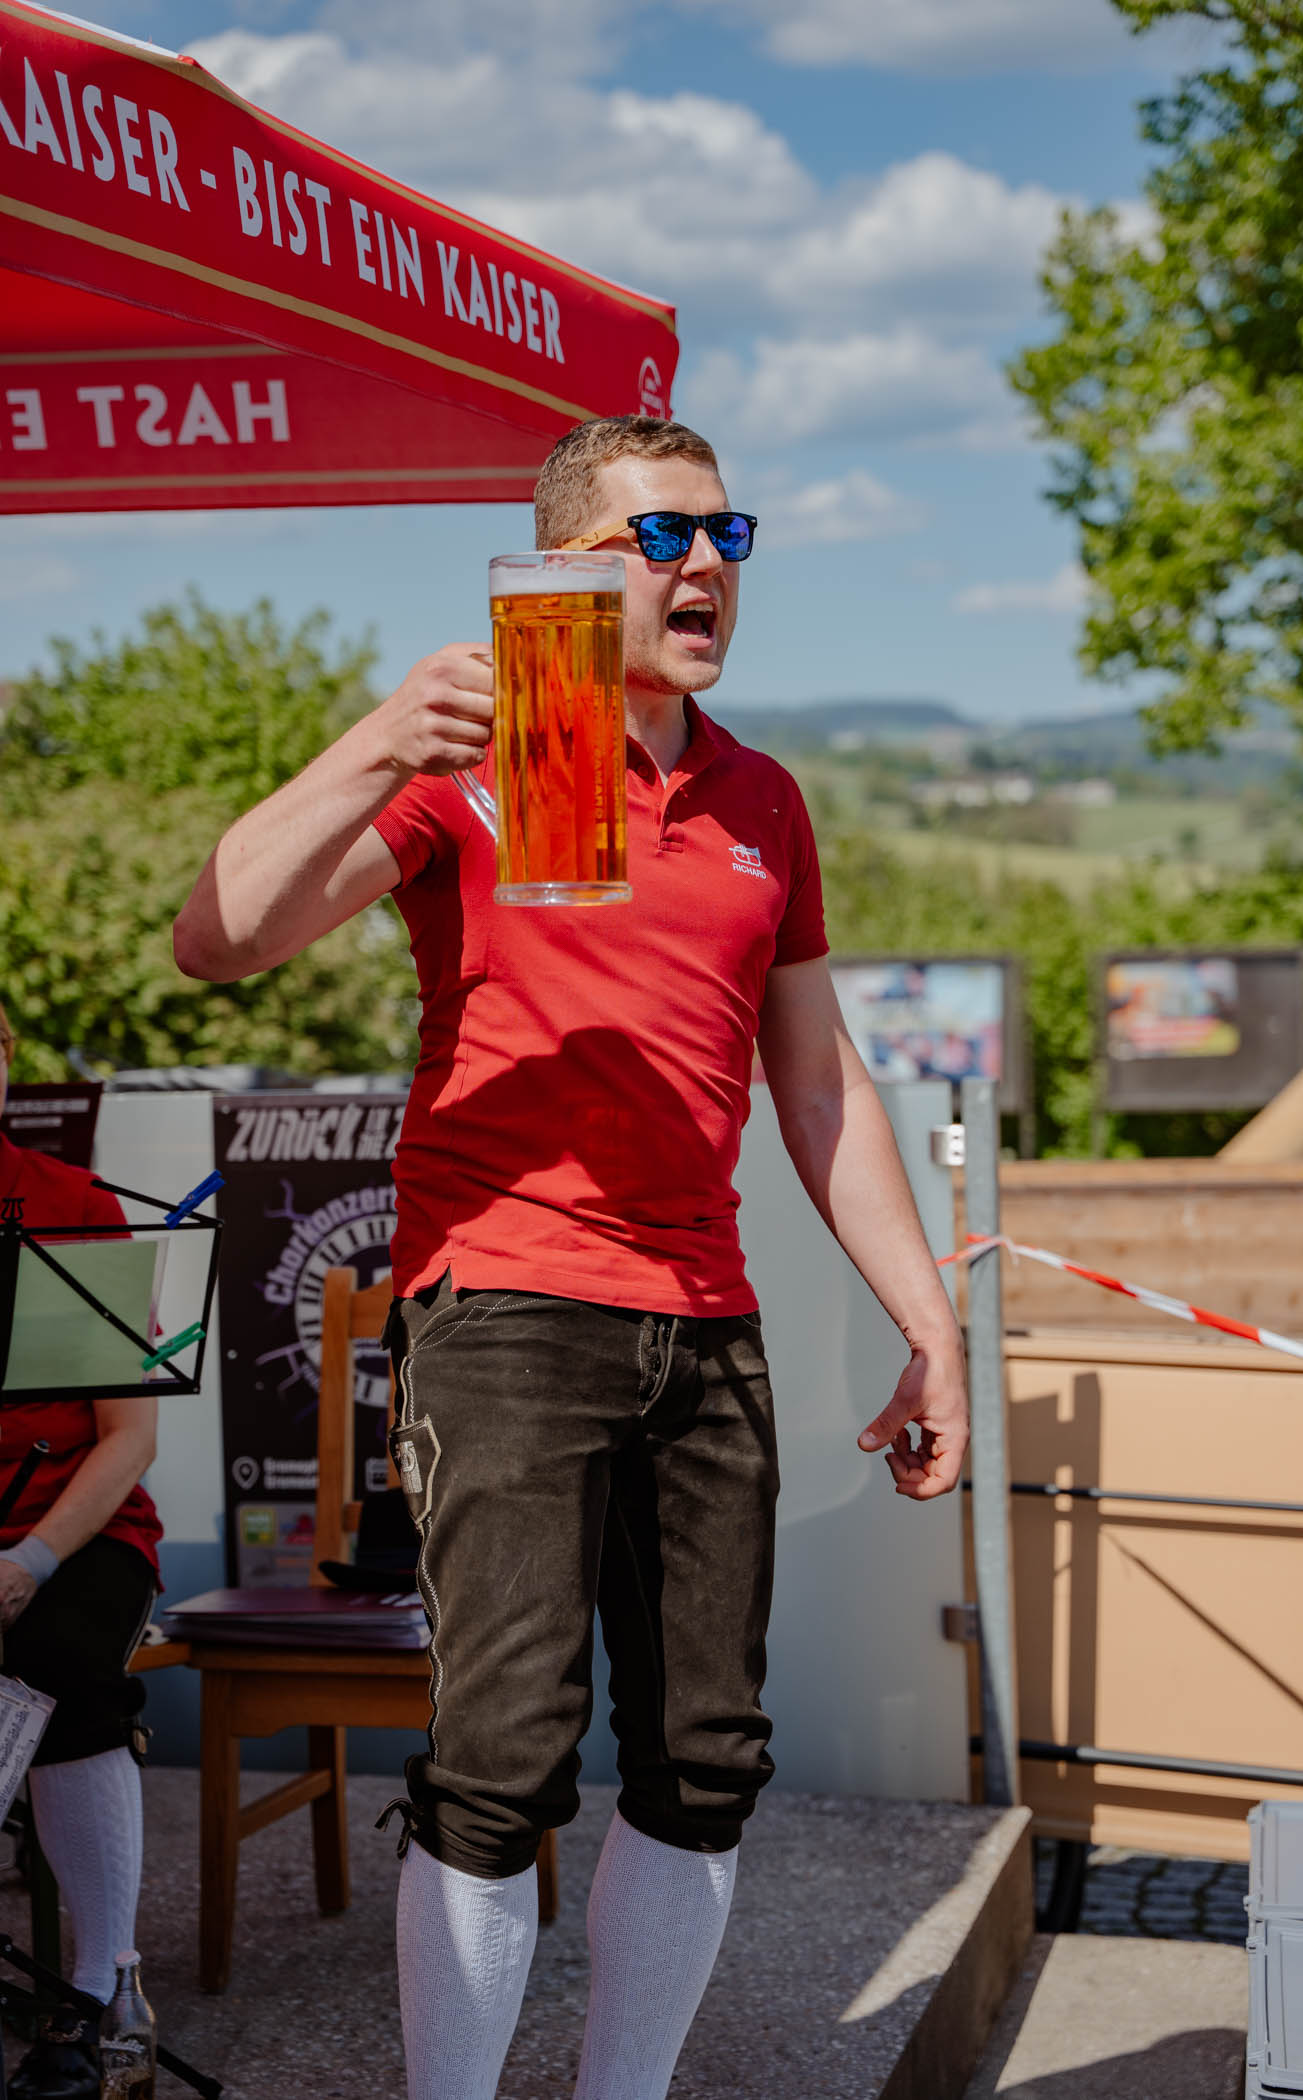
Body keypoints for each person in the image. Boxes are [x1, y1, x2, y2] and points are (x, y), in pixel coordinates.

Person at [173, 415, 968, 2100]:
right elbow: (217, 939)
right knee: (502, 1767)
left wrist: (933, 1324)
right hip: (507, 1311)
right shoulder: (484, 756)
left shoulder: (763, 798)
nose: (706, 563)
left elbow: (818, 1085)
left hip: (707, 1323)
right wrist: (379, 738)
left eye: (727, 534)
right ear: (563, 569)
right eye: (661, 535)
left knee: (704, 1763)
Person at [0, 1000, 161, 2100]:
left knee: (59, 1662)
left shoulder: (72, 1206)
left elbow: (128, 1437)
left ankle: (101, 1988)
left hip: (78, 1524)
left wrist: (30, 1560)